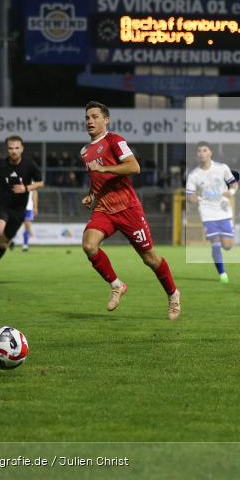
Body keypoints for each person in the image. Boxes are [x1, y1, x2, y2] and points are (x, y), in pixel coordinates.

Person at [79, 101, 180, 319]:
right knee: (89, 245)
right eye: (87, 117)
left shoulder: (115, 140)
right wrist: (92, 195)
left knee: (149, 258)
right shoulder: (85, 151)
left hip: (127, 208)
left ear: (106, 120)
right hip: (104, 209)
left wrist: (105, 167)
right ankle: (116, 285)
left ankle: (173, 295)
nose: (90, 121)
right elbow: (96, 178)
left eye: (95, 116)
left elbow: (134, 167)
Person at [0, 136, 44, 283]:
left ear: (22, 148)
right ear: (7, 149)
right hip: (1, 204)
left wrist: (25, 188)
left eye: (16, 148)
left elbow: (40, 183)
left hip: (19, 210)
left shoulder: (29, 165)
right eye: (10, 148)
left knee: (3, 243)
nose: (13, 151)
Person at [185, 141, 237, 283]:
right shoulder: (194, 175)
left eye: (204, 150)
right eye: (199, 151)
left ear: (210, 153)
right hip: (207, 213)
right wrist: (193, 198)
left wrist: (231, 192)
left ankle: (222, 244)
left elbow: (234, 183)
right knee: (215, 242)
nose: (201, 153)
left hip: (224, 210)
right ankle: (222, 274)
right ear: (197, 154)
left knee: (227, 246)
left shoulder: (222, 168)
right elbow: (189, 195)